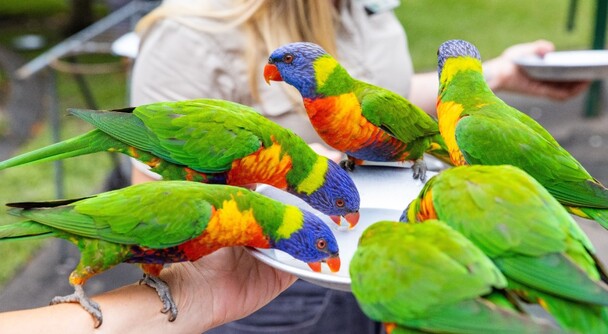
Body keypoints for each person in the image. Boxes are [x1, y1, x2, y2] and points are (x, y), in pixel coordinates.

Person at [0, 0, 590, 333]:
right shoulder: (191, 36)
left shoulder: (369, 13)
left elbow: (378, 107)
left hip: (376, 263)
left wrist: (500, 78)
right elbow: (153, 206)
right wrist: (178, 286)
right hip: (257, 279)